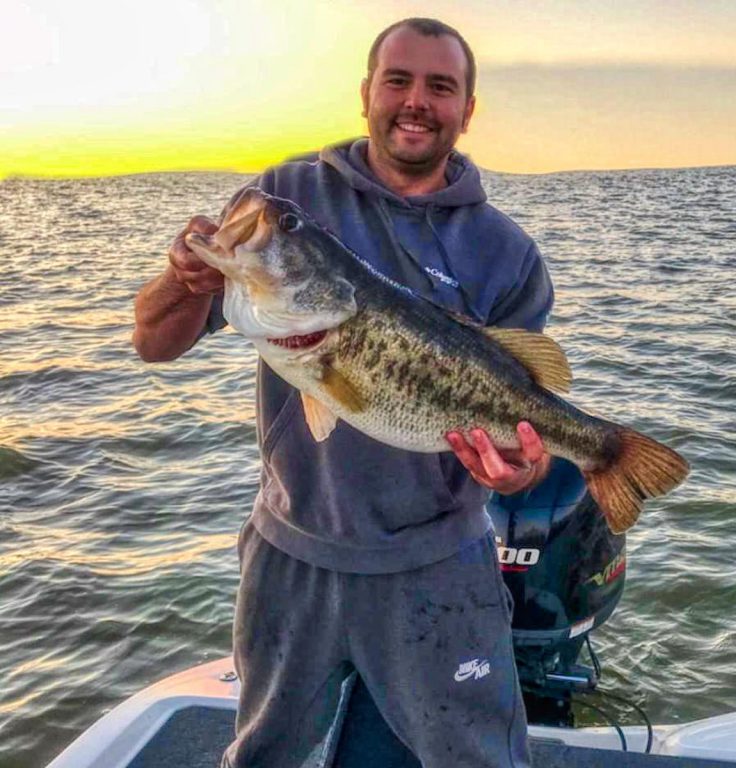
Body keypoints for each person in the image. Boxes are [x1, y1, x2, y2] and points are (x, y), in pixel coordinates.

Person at [133, 17, 554, 768]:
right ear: (366, 93)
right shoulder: (284, 195)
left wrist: (522, 470)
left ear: (468, 107)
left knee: (480, 759)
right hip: (291, 552)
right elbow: (152, 343)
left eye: (439, 86)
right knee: (264, 751)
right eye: (398, 80)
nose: (415, 101)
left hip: (438, 560)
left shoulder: (508, 253)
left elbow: (525, 416)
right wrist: (182, 278)